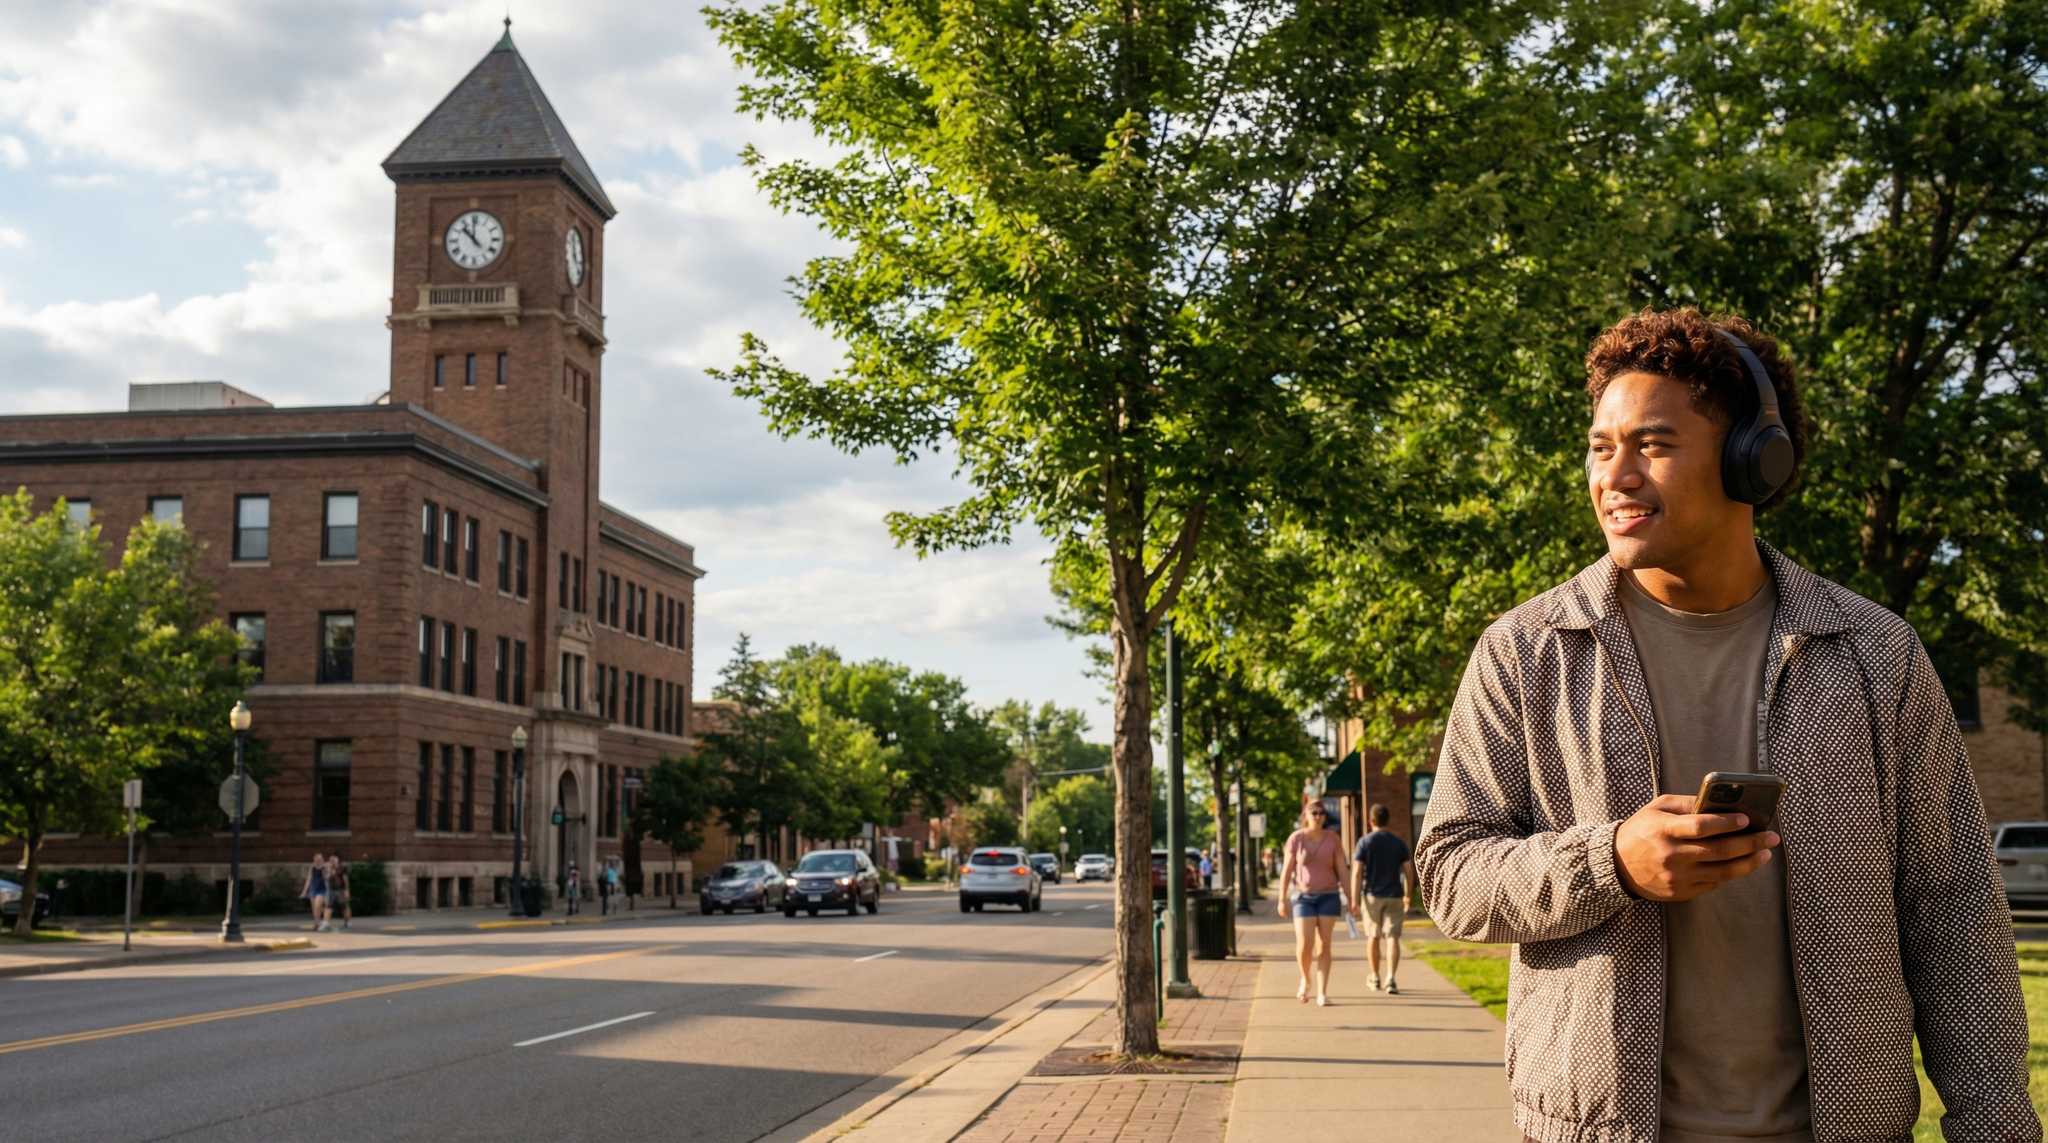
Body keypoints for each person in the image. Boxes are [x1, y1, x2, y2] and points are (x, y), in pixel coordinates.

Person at [1415, 309, 2036, 1143]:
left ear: (1752, 458)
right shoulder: (1526, 653)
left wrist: (1997, 1126)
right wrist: (1611, 862)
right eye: (1602, 447)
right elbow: (1452, 875)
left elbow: (1954, 911)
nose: (1617, 475)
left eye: (1654, 445)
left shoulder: (1875, 655)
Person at [1276, 801, 1351, 1007]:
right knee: (1304, 943)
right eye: (1313, 812)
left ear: (1325, 817)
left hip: (1329, 895)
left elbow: (1342, 870)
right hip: (1303, 897)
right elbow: (1287, 870)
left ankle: (1322, 992)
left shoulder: (1333, 839)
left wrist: (1351, 898)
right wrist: (1282, 898)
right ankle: (1305, 978)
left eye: (1321, 813)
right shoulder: (1296, 839)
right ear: (1306, 815)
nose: (1318, 816)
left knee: (1324, 944)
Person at [1348, 803, 1413, 994]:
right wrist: (1408, 895)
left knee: (1373, 935)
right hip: (1395, 895)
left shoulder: (1364, 842)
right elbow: (1409, 871)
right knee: (1393, 937)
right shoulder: (1398, 842)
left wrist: (1353, 899)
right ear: (1388, 820)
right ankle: (1391, 978)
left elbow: (1357, 872)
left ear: (1371, 821)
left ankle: (1375, 976)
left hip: (1372, 896)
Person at [301, 852, 328, 932]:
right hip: (313, 889)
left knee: (317, 905)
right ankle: (317, 923)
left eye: (320, 859)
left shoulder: (325, 867)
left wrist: (325, 871)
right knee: (314, 908)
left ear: (322, 859)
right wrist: (304, 891)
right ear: (314, 860)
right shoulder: (312, 868)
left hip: (322, 889)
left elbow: (327, 878)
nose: (318, 860)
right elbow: (308, 880)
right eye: (317, 859)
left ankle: (321, 922)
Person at [324, 855, 351, 930]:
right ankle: (326, 923)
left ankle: (347, 922)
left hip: (341, 890)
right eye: (331, 860)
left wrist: (347, 890)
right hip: (331, 890)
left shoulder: (342, 868)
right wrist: (329, 871)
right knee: (328, 907)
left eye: (334, 860)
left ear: (337, 860)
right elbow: (326, 878)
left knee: (344, 907)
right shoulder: (328, 868)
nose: (332, 861)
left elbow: (345, 879)